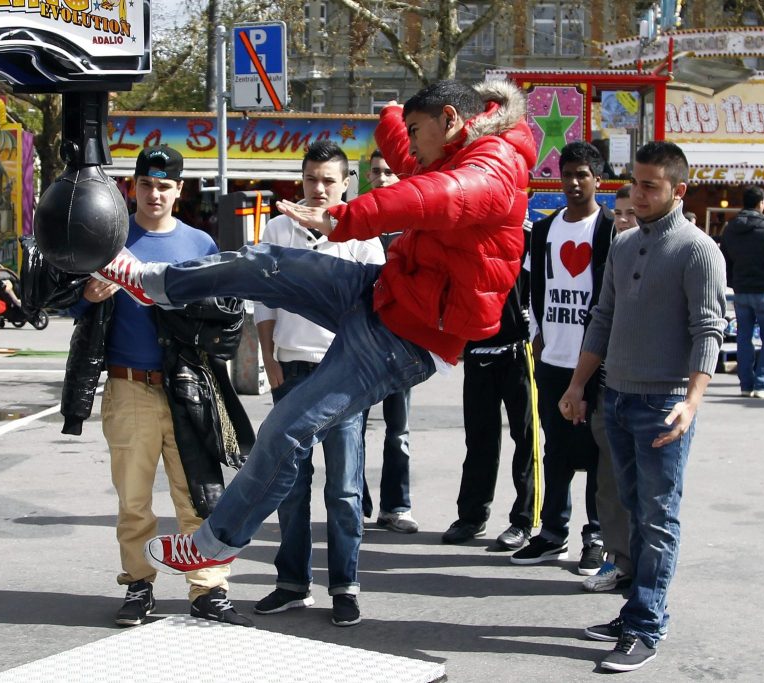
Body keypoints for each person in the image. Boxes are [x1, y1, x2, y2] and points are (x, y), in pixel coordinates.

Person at [90, 80, 536, 581]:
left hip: (406, 340)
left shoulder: (488, 173)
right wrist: (391, 114)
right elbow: (410, 161)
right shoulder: (454, 148)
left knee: (286, 426)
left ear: (451, 120)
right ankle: (155, 283)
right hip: (382, 292)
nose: (409, 145)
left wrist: (341, 218)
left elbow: (429, 195)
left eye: (416, 131)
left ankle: (216, 542)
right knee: (269, 263)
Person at [64, 145, 254, 628]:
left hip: (188, 386)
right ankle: (138, 585)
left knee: (198, 493)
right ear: (133, 187)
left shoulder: (200, 245)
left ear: (179, 190)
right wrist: (87, 294)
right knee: (133, 499)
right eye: (146, 185)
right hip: (129, 385)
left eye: (164, 186)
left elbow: (225, 321)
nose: (154, 194)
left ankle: (208, 589)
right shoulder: (109, 238)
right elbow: (66, 302)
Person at [560, 141, 727, 672]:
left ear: (679, 191)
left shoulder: (699, 250)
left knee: (657, 517)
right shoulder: (625, 245)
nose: (640, 193)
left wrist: (692, 402)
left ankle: (646, 624)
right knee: (631, 509)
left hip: (664, 403)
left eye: (652, 185)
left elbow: (709, 331)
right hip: (617, 396)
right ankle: (634, 608)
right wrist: (578, 385)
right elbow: (602, 319)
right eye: (636, 182)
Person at [252, 141, 384, 627]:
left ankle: (345, 585)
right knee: (290, 483)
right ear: (301, 179)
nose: (320, 188)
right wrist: (269, 358)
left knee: (345, 488)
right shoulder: (278, 229)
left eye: (329, 180)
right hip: (292, 368)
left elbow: (375, 310)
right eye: (312, 178)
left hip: (344, 372)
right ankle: (291, 582)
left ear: (347, 183)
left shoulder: (361, 236)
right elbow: (264, 300)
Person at [512, 141, 613, 575]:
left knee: (596, 453)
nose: (573, 182)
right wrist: (537, 333)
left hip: (597, 362)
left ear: (597, 179)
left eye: (583, 175)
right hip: (552, 358)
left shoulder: (609, 230)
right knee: (554, 449)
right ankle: (552, 533)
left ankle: (597, 536)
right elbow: (535, 291)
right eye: (567, 173)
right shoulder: (546, 230)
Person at [442, 222, 536, 549]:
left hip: (519, 352)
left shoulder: (527, 234)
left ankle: (524, 520)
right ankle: (472, 515)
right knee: (479, 438)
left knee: (526, 439)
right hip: (478, 349)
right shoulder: (463, 234)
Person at [583, 183, 637, 593]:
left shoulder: (685, 252)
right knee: (609, 483)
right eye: (617, 213)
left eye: (629, 213)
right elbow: (598, 324)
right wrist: (578, 385)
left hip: (655, 397)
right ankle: (618, 560)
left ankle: (647, 574)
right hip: (608, 389)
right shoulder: (611, 258)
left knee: (650, 493)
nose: (621, 221)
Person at [361, 149, 419, 535]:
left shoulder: (415, 226)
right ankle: (354, 501)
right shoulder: (359, 222)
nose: (382, 178)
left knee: (398, 430)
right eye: (376, 172)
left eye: (389, 172)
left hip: (402, 343)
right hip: (361, 344)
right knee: (353, 428)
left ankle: (396, 506)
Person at [720, 186, 764, 399]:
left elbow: (724, 258)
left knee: (744, 337)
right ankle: (763, 384)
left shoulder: (731, 228)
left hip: (741, 291)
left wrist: (733, 281)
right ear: (761, 203)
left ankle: (746, 384)